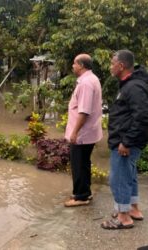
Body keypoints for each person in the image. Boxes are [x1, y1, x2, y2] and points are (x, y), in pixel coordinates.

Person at [101, 50, 148, 230]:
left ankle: (123, 217)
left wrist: (127, 141)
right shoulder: (130, 84)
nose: (110, 67)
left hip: (126, 142)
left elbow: (142, 116)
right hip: (127, 140)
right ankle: (133, 209)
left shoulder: (134, 87)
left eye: (112, 63)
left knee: (119, 178)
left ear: (121, 66)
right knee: (130, 176)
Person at [64, 54, 103, 207]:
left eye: (74, 63)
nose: (72, 66)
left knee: (78, 164)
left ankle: (80, 197)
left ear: (81, 65)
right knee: (84, 163)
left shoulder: (86, 83)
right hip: (89, 132)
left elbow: (84, 111)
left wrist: (74, 132)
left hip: (82, 134)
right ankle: (85, 192)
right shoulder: (92, 79)